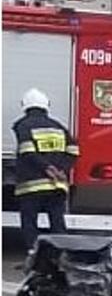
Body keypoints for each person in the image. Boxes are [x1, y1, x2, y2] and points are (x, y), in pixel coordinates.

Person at [12, 88, 78, 250]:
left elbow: (27, 150)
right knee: (57, 223)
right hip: (57, 186)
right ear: (46, 105)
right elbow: (74, 150)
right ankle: (62, 257)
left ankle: (34, 257)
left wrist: (48, 168)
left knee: (29, 223)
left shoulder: (23, 125)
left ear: (25, 106)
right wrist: (62, 169)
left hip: (31, 186)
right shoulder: (59, 127)